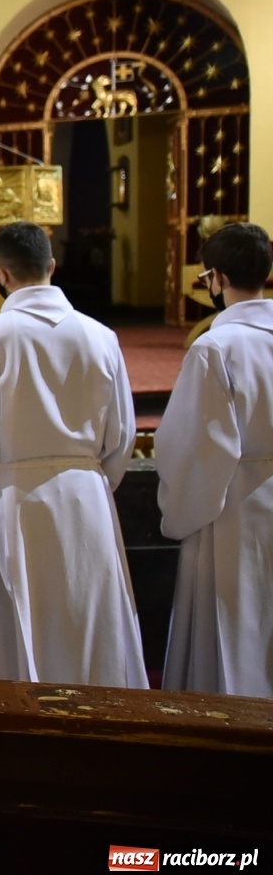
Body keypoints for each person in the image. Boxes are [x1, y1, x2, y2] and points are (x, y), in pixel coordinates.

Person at [0, 221, 146, 687]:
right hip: (87, 497)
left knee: (11, 634)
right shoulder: (100, 337)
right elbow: (123, 434)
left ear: (0, 274)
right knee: (89, 625)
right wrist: (92, 481)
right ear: (51, 266)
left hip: (12, 498)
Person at [154, 222, 273, 697]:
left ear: (217, 279)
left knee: (233, 633)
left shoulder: (216, 347)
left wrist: (177, 512)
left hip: (234, 509)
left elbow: (194, 447)